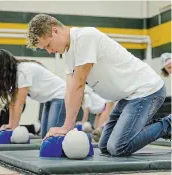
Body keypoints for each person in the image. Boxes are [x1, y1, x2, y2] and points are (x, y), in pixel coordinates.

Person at [27, 14, 171, 156]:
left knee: (118, 147)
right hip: (128, 97)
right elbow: (70, 89)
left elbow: (78, 86)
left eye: (48, 45)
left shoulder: (85, 37)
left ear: (55, 30)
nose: (50, 51)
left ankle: (168, 124)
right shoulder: (67, 54)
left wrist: (67, 127)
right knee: (104, 146)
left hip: (147, 91)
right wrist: (67, 126)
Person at [0, 49, 66, 138]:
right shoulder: (14, 75)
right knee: (45, 136)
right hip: (48, 99)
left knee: (52, 136)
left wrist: (14, 128)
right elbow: (13, 102)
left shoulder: (22, 71)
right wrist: (10, 124)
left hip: (60, 95)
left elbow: (20, 103)